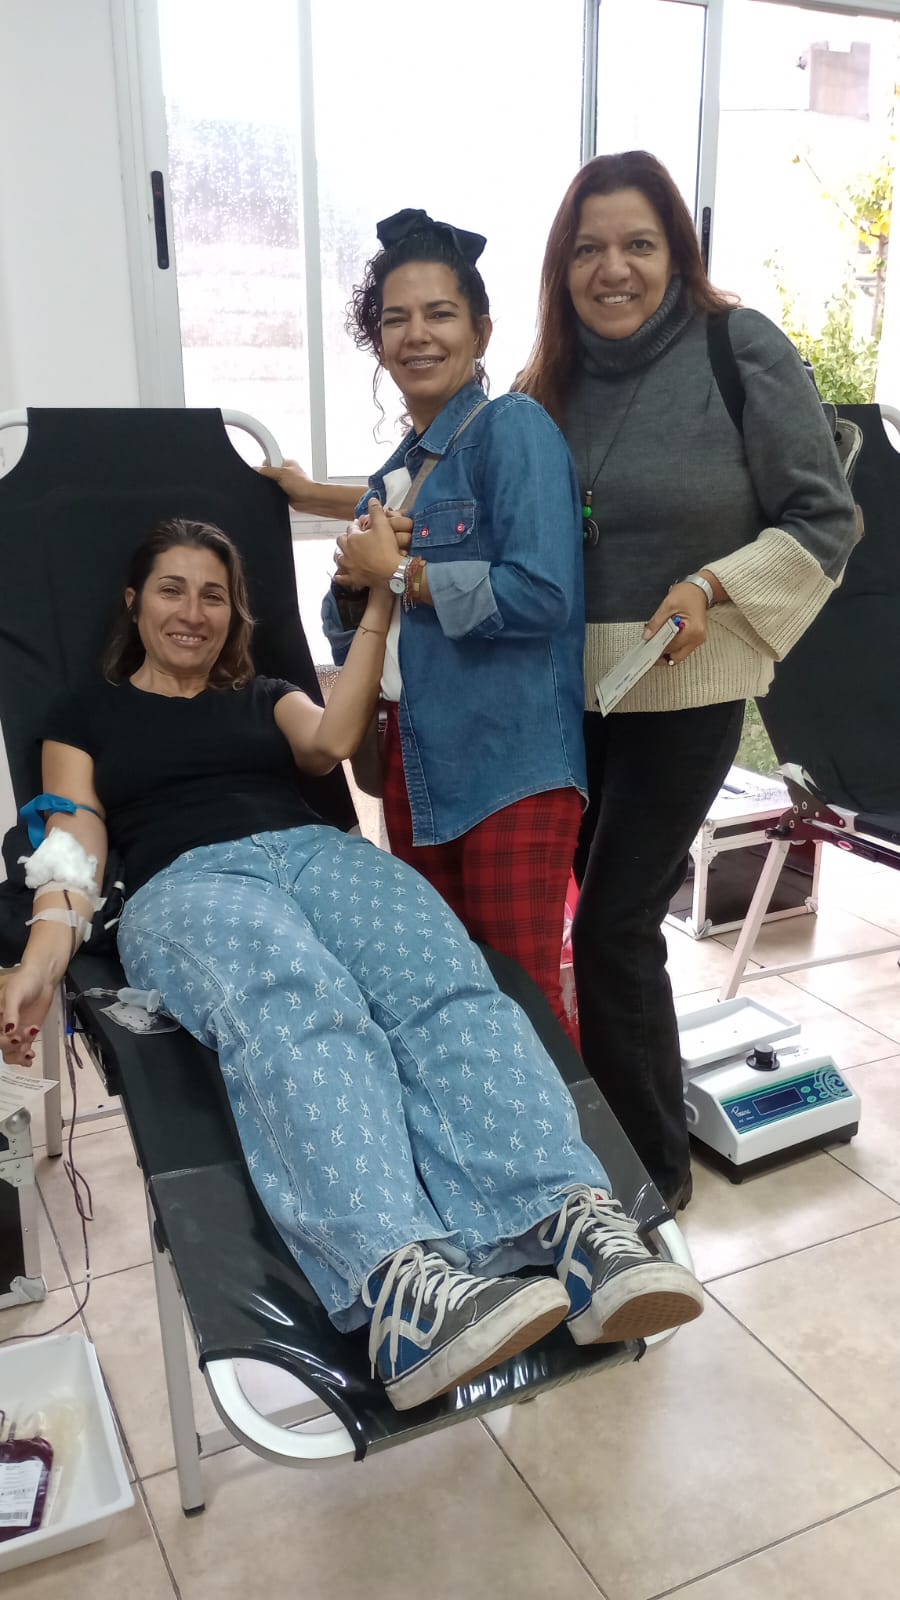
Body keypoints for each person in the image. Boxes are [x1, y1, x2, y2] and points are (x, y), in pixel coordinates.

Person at [0, 517, 703, 1413]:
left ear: (235, 614)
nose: (193, 612)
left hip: (321, 855)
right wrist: (40, 961)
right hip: (188, 880)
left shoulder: (266, 696)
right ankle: (400, 1287)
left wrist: (379, 596)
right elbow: (72, 847)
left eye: (214, 595)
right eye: (172, 590)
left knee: (448, 989)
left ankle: (567, 1220)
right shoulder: (83, 716)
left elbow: (332, 742)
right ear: (134, 602)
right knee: (301, 1006)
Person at [512, 150, 859, 1210]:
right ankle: (620, 1132)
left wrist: (713, 583)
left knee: (614, 926)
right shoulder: (547, 378)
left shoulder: (737, 346)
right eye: (589, 249)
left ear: (677, 253)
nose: (612, 269)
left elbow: (825, 518)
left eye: (638, 245)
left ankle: (650, 1178)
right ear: (561, 265)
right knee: (596, 928)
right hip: (566, 695)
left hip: (686, 684)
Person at [263, 209, 586, 1043]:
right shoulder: (393, 476)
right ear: (377, 341)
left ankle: (577, 1138)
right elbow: (364, 638)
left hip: (511, 767)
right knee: (444, 995)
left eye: (440, 313)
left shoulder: (514, 429)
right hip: (417, 768)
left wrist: (402, 575)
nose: (417, 335)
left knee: (525, 1001)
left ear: (481, 331)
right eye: (395, 318)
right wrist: (352, 588)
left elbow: (544, 595)